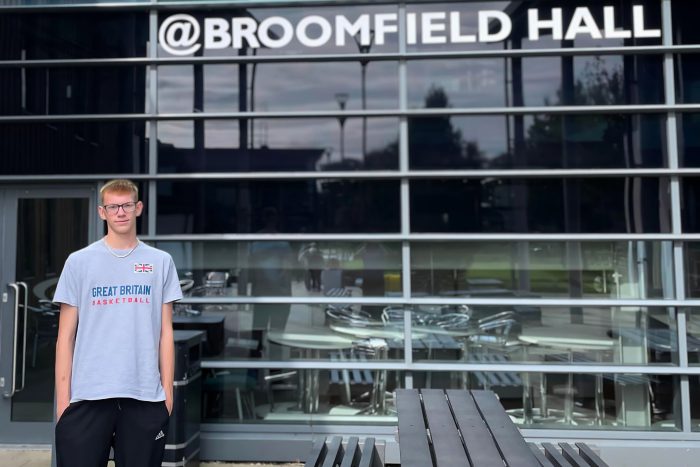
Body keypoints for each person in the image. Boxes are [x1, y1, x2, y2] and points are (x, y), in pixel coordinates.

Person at [53, 179, 183, 467]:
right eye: (113, 206)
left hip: (145, 397)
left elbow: (165, 332)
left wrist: (167, 395)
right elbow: (65, 338)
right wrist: (64, 403)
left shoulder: (160, 262)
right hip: (87, 396)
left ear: (138, 208)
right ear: (102, 212)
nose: (120, 212)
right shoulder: (79, 262)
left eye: (126, 205)